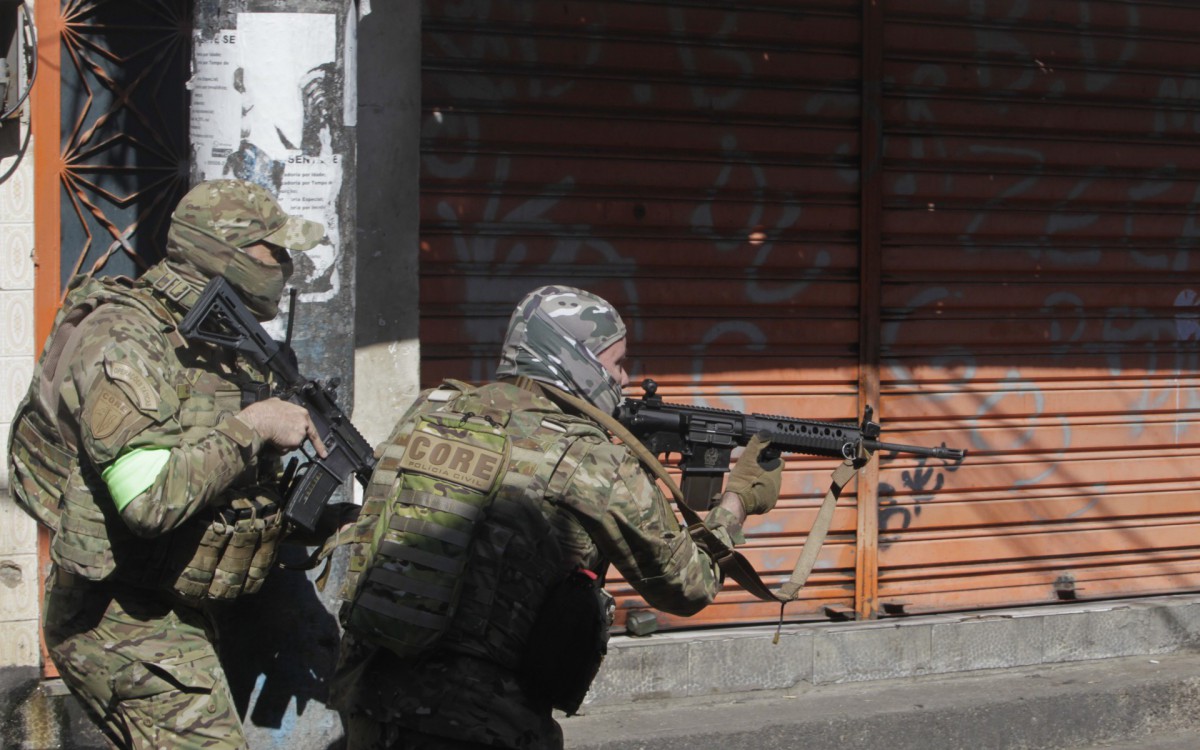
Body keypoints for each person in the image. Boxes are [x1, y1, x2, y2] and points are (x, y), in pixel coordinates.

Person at [330, 285, 784, 750]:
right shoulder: (592, 460)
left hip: (371, 703)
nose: (625, 378)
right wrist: (737, 502)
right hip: (481, 724)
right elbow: (688, 587)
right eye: (617, 363)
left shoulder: (430, 410)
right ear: (573, 359)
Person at [7, 179, 335, 749]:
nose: (285, 266)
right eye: (274, 251)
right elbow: (148, 499)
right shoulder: (124, 337)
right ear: (222, 253)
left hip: (190, 599)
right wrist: (253, 427)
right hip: (119, 616)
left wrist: (327, 520)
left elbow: (228, 488)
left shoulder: (228, 341)